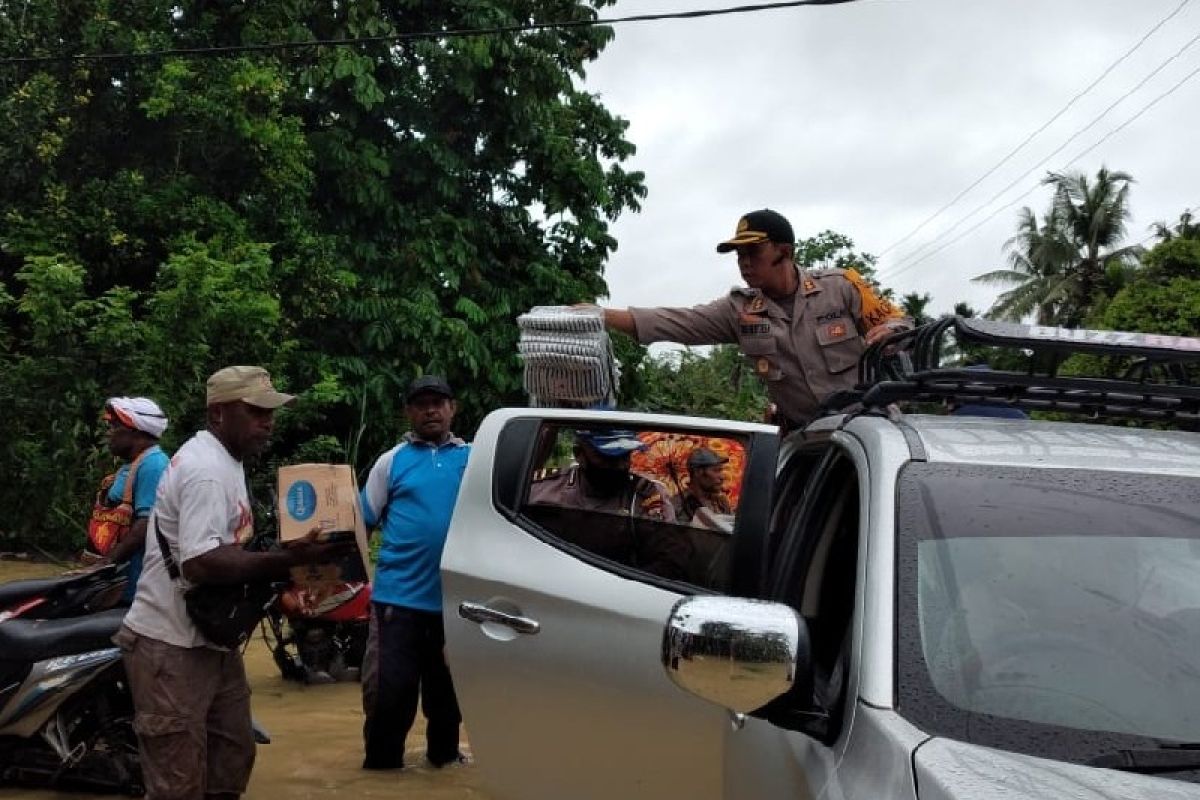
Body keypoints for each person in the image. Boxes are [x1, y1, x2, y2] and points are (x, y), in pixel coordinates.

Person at [115, 366, 352, 800]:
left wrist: (285, 583)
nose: (269, 421)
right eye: (256, 411)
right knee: (177, 784)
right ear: (219, 414)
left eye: (271, 412)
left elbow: (232, 552)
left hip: (211, 642)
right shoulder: (206, 470)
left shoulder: (227, 462)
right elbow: (202, 563)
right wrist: (288, 562)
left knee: (233, 755)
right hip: (171, 647)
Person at [596, 209, 912, 431]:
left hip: (872, 431)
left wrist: (890, 333)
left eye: (753, 253)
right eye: (739, 256)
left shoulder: (841, 286)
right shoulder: (740, 309)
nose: (743, 263)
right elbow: (676, 321)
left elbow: (899, 325)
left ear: (784, 251)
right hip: (809, 440)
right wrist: (599, 315)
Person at [359, 375, 472, 771]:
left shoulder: (473, 459)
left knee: (448, 702)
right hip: (397, 602)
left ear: (452, 408)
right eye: (421, 403)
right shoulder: (391, 462)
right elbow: (363, 525)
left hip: (454, 603)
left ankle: (444, 762)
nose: (431, 410)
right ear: (408, 411)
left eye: (438, 402)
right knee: (391, 696)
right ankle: (381, 772)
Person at [527, 429, 689, 580]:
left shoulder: (645, 497)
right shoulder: (545, 488)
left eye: (625, 457)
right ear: (579, 455)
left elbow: (671, 559)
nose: (619, 465)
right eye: (608, 458)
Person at [85, 397, 171, 604]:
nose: (108, 433)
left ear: (134, 431)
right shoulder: (132, 465)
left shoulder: (153, 465)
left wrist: (107, 562)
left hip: (137, 582)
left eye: (114, 426)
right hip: (119, 579)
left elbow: (146, 524)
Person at [675, 447, 733, 526]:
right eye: (716, 470)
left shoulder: (721, 502)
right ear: (698, 472)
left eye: (721, 470)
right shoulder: (678, 504)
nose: (722, 477)